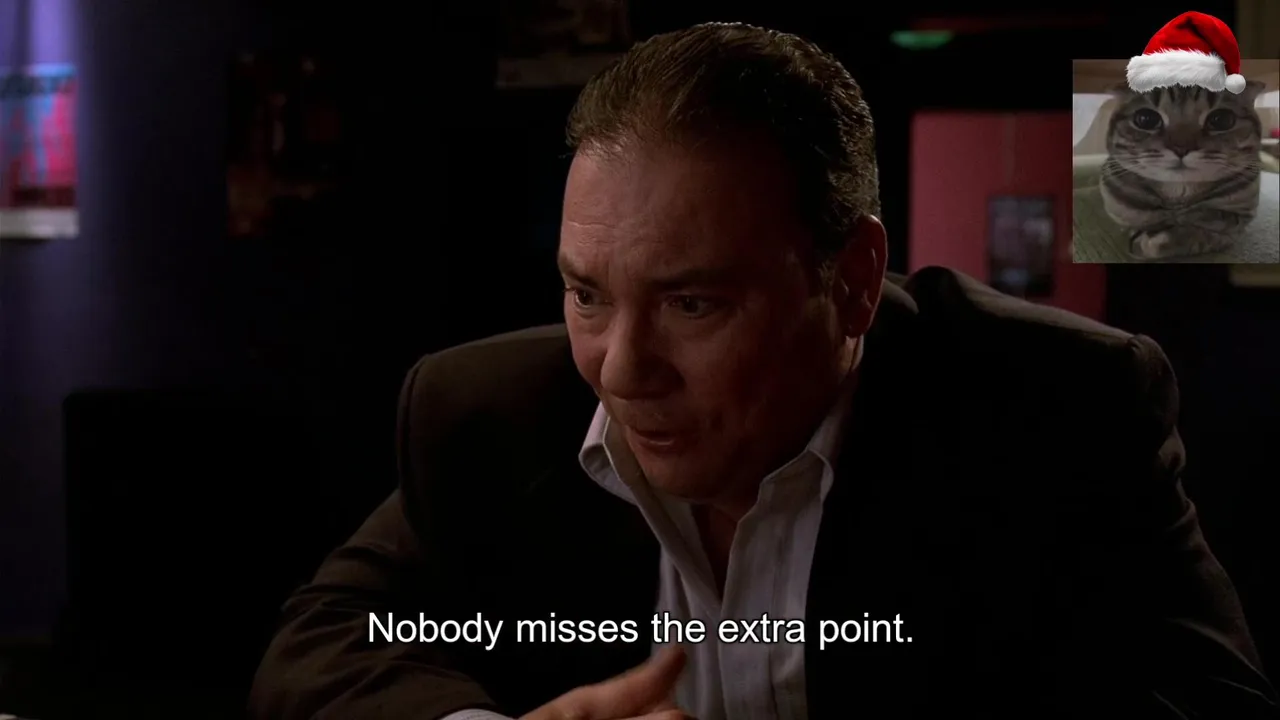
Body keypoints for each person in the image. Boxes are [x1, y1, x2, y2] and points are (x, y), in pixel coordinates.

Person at [248, 23, 1278, 720]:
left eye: (692, 303)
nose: (621, 370)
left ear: (852, 281)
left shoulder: (1059, 411)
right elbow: (322, 642)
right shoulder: (485, 414)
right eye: (586, 294)